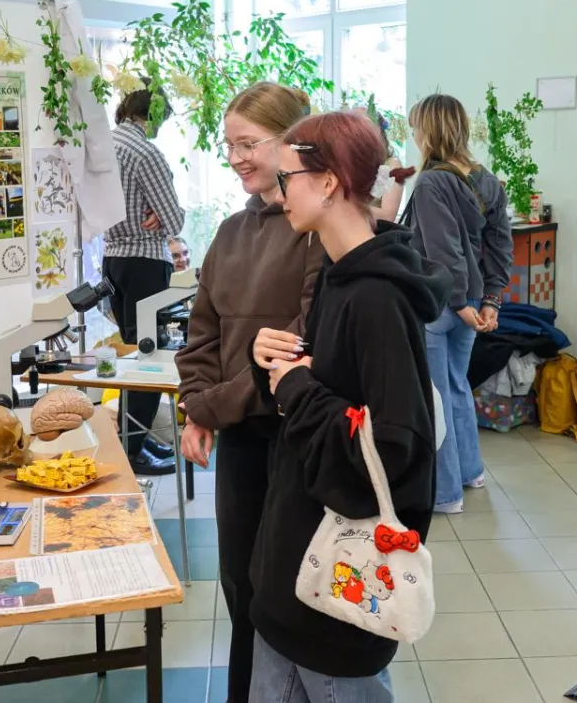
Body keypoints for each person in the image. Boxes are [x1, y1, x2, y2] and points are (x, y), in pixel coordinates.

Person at [248, 111, 448, 703]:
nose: (276, 192)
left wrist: (296, 388)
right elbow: (333, 387)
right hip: (293, 583)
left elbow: (393, 449)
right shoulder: (340, 275)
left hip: (338, 605)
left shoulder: (377, 299)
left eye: (286, 178)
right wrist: (278, 362)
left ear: (329, 181)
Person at [175, 81, 324, 703]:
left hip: (293, 435)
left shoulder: (315, 231)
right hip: (238, 437)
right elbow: (201, 331)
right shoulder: (231, 232)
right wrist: (196, 405)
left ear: (292, 142)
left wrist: (212, 403)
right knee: (239, 582)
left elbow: (298, 345)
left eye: (248, 143)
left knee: (286, 588)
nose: (236, 157)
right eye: (228, 145)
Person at [403, 94, 513, 513]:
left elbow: (441, 249)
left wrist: (457, 300)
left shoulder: (432, 181)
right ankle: (471, 471)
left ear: (428, 130)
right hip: (469, 302)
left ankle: (445, 494)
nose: (414, 135)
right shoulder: (487, 179)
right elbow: (500, 246)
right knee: (456, 385)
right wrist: (489, 300)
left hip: (439, 302)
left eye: (416, 127)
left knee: (433, 396)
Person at [103, 77, 186, 475]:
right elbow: (172, 217)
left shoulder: (103, 145)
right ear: (152, 117)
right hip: (145, 261)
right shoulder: (144, 151)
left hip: (112, 260)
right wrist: (160, 218)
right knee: (151, 358)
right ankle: (133, 451)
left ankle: (132, 440)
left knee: (135, 352)